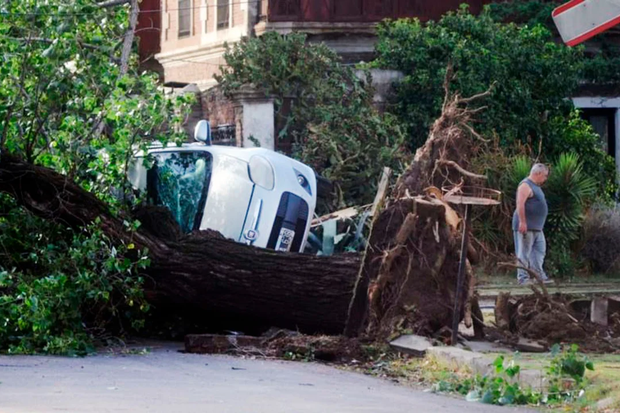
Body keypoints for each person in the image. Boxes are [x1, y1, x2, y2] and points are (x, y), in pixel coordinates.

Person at [512, 163, 552, 285]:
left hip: (537, 227)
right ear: (538, 173)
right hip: (527, 226)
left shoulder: (536, 187)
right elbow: (520, 204)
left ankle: (538, 276)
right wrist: (523, 222)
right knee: (523, 252)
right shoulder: (525, 185)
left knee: (539, 251)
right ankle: (522, 278)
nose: (545, 179)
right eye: (544, 176)